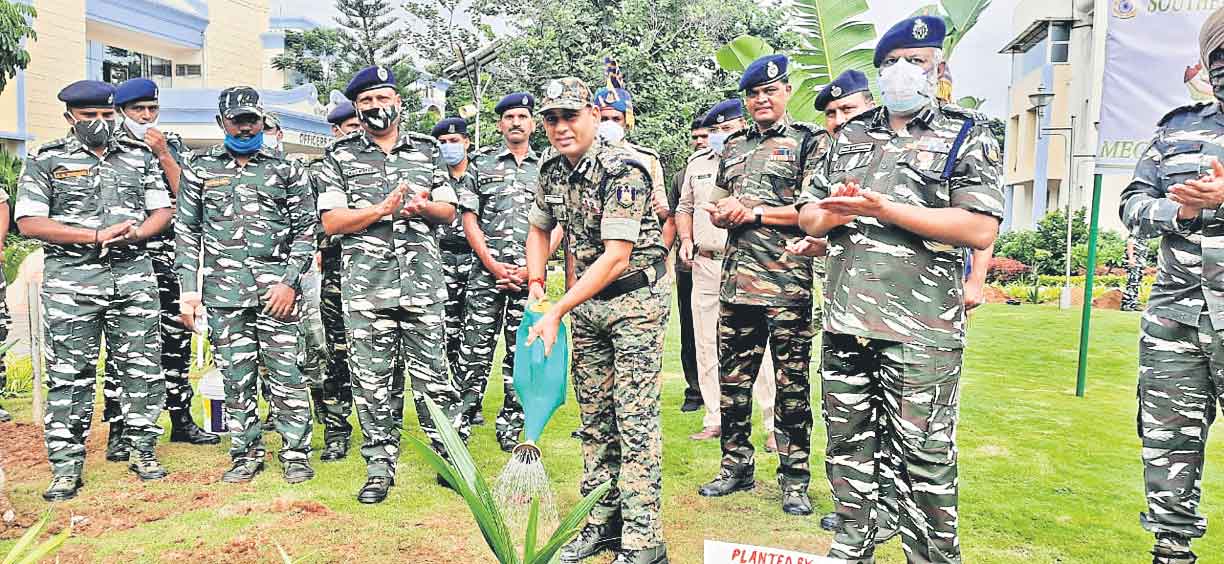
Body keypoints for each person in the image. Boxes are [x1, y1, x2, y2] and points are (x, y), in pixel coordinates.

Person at [797, 15, 1003, 563]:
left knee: (924, 456)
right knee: (847, 449)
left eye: (915, 61)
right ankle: (850, 546)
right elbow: (809, 216)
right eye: (890, 63)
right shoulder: (850, 136)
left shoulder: (967, 132)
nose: (901, 72)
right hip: (846, 323)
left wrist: (885, 208)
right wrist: (831, 214)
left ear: (940, 68)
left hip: (921, 331)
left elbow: (980, 227)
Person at [525, 77, 670, 564]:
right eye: (552, 119)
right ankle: (602, 522)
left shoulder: (623, 170)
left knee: (634, 420)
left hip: (633, 306)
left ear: (592, 114)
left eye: (570, 116)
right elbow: (539, 229)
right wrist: (537, 284)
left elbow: (616, 258)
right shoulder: (549, 169)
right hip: (587, 309)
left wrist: (559, 309)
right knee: (595, 421)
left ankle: (645, 540)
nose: (561, 127)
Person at [314, 65, 467, 504]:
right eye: (366, 102)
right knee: (374, 384)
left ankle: (450, 461)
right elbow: (333, 222)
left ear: (398, 102)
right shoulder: (339, 157)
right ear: (357, 109)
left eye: (383, 99)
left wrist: (422, 208)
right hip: (366, 288)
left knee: (435, 379)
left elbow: (448, 211)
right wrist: (381, 210)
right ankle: (380, 467)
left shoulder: (426, 151)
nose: (376, 108)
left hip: (421, 283)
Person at [17, 80, 174, 500]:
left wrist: (139, 232)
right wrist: (94, 234)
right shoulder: (46, 160)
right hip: (73, 285)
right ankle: (67, 467)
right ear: (71, 118)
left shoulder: (138, 157)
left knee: (142, 370)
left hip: (134, 278)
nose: (101, 124)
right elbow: (30, 222)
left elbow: (163, 209)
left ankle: (143, 451)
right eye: (90, 117)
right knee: (70, 377)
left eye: (107, 116)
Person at [1120, 9, 1224, 563]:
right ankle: (1171, 549)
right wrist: (1179, 214)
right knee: (1167, 441)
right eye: (1221, 58)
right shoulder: (1177, 129)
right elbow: (1132, 204)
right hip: (1177, 318)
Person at [696, 54, 820, 518]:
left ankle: (795, 479)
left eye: (769, 91)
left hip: (787, 286)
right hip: (735, 288)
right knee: (734, 386)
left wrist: (756, 214)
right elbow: (718, 202)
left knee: (791, 389)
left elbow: (814, 212)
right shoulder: (731, 147)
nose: (761, 100)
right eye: (753, 94)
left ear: (786, 92)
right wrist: (724, 212)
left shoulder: (809, 142)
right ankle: (736, 466)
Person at [176, 86, 317, 485]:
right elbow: (187, 231)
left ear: (263, 121)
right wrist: (189, 291)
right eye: (237, 121)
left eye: (252, 120)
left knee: (287, 375)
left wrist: (290, 282)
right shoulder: (199, 168)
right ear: (222, 123)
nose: (245, 128)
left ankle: (295, 453)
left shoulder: (286, 168)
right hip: (224, 296)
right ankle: (245, 453)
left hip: (279, 295)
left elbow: (307, 229)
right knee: (235, 378)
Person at [103, 78, 218, 459]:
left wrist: (165, 154)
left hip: (167, 258)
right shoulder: (106, 146)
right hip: (124, 257)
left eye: (152, 109)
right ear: (122, 111)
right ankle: (120, 428)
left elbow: (190, 196)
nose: (147, 116)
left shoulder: (170, 143)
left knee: (175, 341)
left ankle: (180, 419)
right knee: (126, 344)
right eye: (139, 110)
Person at [675, 100, 777, 448]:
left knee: (755, 345)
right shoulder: (697, 164)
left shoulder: (755, 157)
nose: (720, 136)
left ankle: (771, 421)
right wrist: (686, 239)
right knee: (706, 342)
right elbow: (684, 207)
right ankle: (714, 416)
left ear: (742, 126)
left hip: (747, 262)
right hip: (705, 262)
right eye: (715, 130)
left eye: (727, 129)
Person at [456, 93, 554, 451]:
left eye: (522, 116)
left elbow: (555, 224)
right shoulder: (480, 164)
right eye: (509, 117)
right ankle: (459, 429)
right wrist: (493, 264)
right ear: (500, 124)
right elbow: (469, 219)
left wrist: (533, 268)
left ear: (532, 124)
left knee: (522, 356)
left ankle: (513, 427)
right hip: (486, 276)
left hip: (531, 281)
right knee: (472, 355)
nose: (516, 122)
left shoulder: (548, 166)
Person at [307, 101, 362, 462]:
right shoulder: (318, 171)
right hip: (336, 273)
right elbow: (306, 223)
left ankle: (384, 427)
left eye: (359, 125)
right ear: (335, 130)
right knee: (334, 355)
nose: (357, 130)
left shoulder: (381, 165)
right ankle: (336, 428)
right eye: (350, 126)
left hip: (379, 275)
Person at [430, 117, 479, 406]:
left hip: (475, 257)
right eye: (443, 143)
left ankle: (470, 399)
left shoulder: (481, 173)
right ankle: (452, 393)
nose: (449, 147)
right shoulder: (433, 175)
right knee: (447, 330)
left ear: (466, 142)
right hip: (442, 256)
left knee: (474, 332)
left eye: (454, 141)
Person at [674, 117, 705, 414]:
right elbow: (674, 215)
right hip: (687, 265)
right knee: (690, 330)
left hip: (724, 263)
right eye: (695, 136)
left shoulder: (733, 165)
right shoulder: (683, 175)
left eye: (705, 135)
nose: (700, 141)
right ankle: (695, 391)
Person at [1122, 235, 1148, 312]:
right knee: (1132, 283)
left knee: (1136, 284)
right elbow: (1130, 245)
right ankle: (1127, 304)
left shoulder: (1143, 238)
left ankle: (1133, 303)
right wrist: (1131, 258)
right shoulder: (1134, 235)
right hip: (1134, 263)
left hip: (1139, 264)